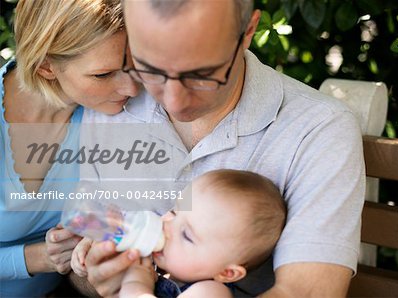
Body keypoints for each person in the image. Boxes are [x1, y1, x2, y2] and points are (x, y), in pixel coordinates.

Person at [82, 0, 365, 297]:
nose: (174, 101)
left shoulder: (317, 129)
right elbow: (83, 260)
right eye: (150, 69)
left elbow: (304, 292)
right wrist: (99, 276)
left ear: (248, 31)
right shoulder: (110, 103)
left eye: (202, 75)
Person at [0, 0, 139, 296]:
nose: (132, 89)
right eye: (103, 74)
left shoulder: (109, 113)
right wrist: (37, 257)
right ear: (46, 66)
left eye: (133, 65)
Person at [71, 169, 286, 298]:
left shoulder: (210, 292)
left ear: (227, 273)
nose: (167, 223)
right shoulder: (158, 265)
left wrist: (136, 285)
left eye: (187, 236)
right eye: (174, 212)